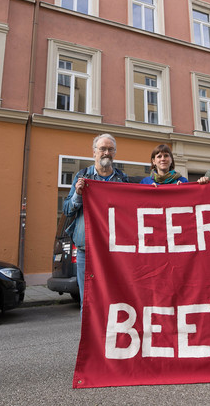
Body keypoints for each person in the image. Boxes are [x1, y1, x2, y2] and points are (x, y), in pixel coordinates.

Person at [63, 133, 128, 313]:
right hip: (87, 249)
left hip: (114, 249)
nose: (106, 152)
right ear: (94, 153)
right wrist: (77, 194)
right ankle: (91, 341)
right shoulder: (82, 176)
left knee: (114, 298)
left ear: (114, 153)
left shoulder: (122, 180)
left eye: (110, 149)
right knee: (88, 300)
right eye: (102, 149)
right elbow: (67, 209)